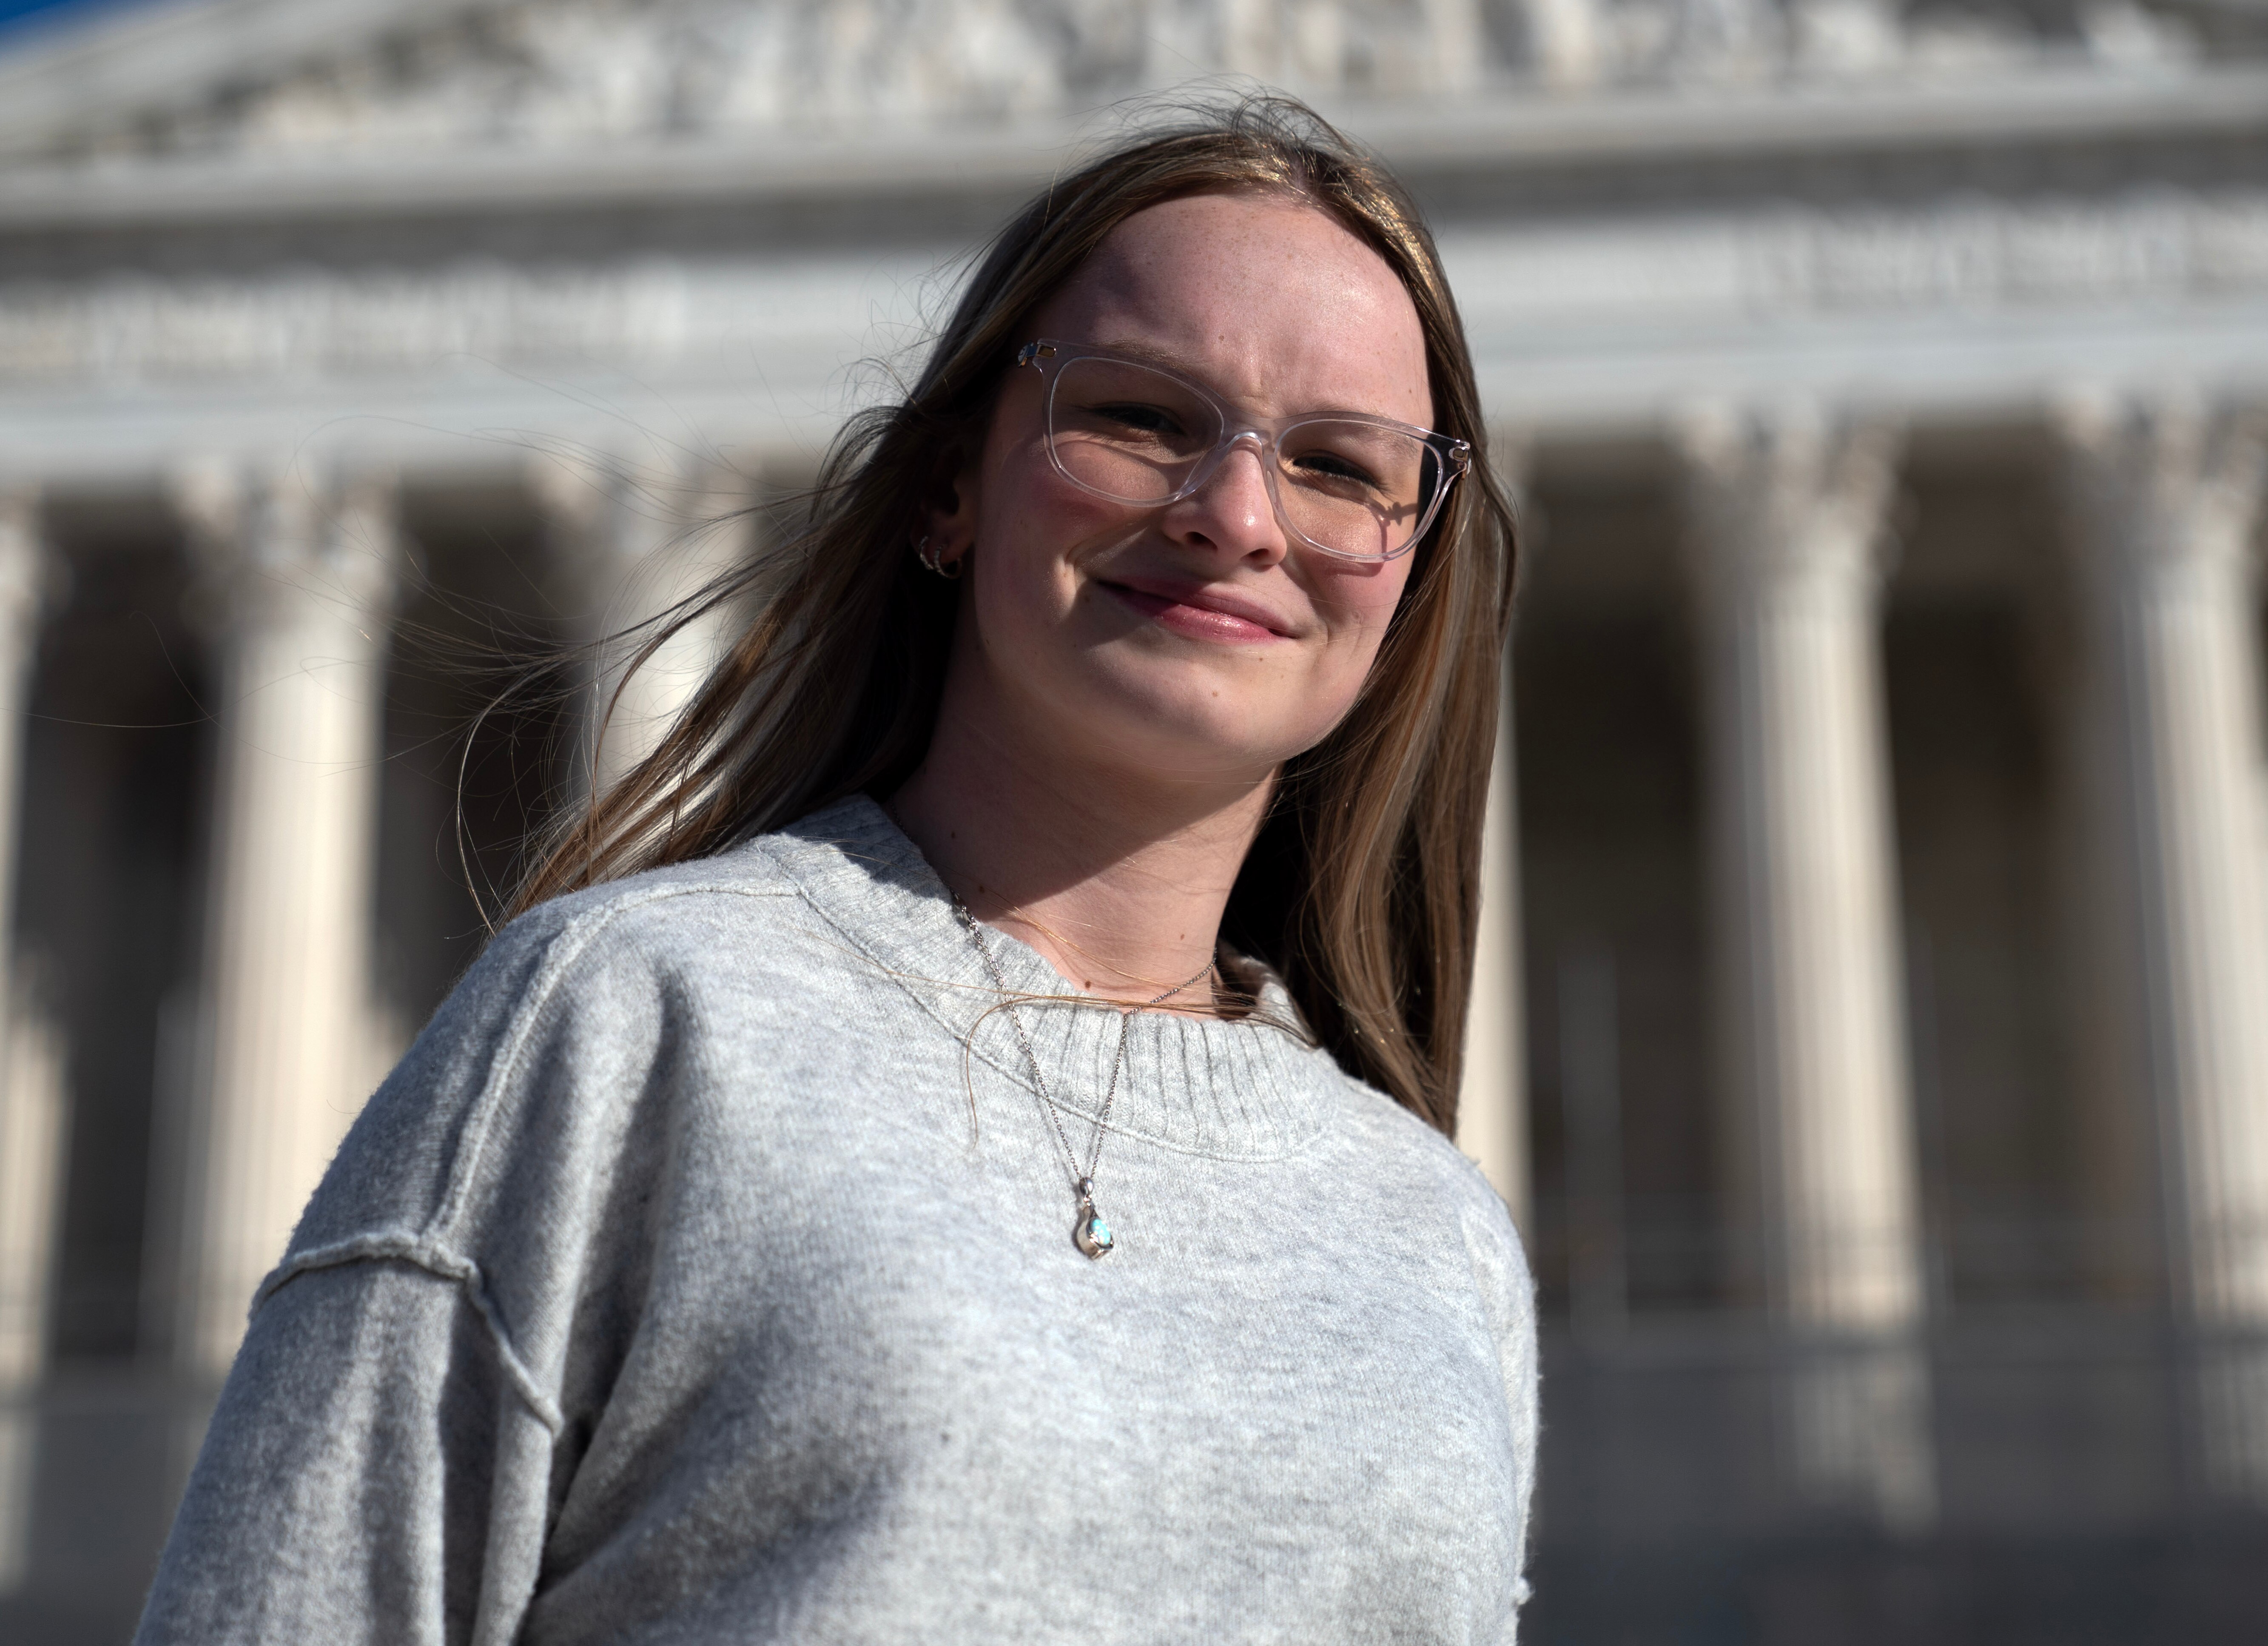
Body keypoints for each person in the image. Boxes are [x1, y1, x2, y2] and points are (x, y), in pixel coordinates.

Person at [134, 96, 1537, 1644]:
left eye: (1343, 465)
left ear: (1410, 574)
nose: (1238, 515)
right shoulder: (630, 1021)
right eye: (1140, 416)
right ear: (949, 487)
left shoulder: (1440, 1229)